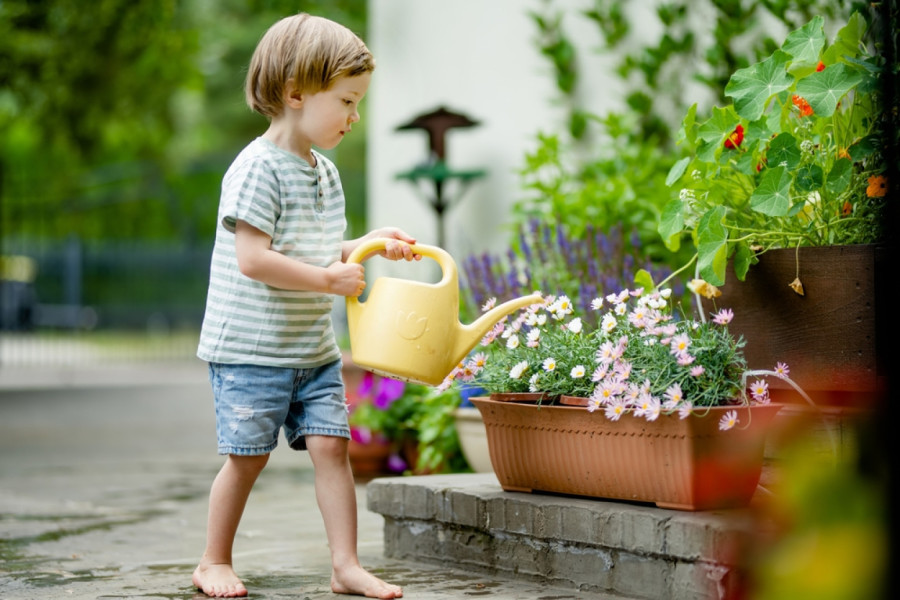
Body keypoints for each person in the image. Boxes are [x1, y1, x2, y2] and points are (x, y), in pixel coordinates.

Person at [193, 13, 414, 599]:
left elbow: (318, 248)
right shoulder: (256, 169)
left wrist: (369, 244)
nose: (355, 115)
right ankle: (213, 560)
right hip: (251, 350)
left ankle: (345, 566)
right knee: (247, 458)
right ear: (295, 93)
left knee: (333, 449)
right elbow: (255, 259)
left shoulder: (326, 172)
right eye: (346, 100)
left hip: (311, 350)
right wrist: (325, 279)